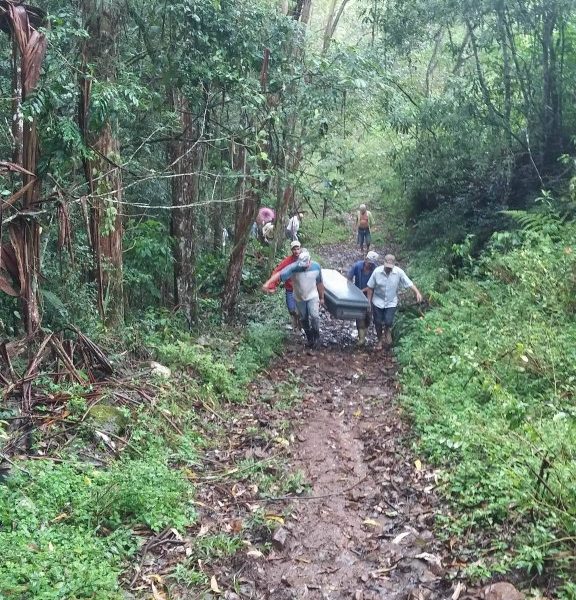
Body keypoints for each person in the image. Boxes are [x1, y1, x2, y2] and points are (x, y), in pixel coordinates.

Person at [262, 248, 324, 349]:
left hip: (312, 295)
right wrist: (268, 283)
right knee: (303, 318)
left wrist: (322, 297)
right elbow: (279, 274)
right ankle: (309, 338)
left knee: (314, 316)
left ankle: (317, 337)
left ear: (310, 260)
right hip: (299, 297)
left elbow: (320, 283)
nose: (304, 268)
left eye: (306, 266)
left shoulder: (316, 267)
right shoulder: (293, 267)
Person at [366, 254, 423, 350]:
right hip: (377, 301)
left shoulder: (399, 272)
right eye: (387, 267)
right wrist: (369, 302)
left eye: (390, 268)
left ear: (394, 265)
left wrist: (417, 292)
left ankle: (387, 329)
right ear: (383, 263)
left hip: (391, 301)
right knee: (377, 322)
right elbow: (370, 287)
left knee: (388, 321)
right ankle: (379, 340)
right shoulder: (377, 272)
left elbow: (409, 283)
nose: (388, 269)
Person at [263, 240, 302, 331]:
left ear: (300, 249)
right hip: (290, 289)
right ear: (291, 250)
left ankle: (300, 327)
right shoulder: (287, 261)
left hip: (301, 289)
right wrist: (272, 286)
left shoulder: (303, 260)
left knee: (301, 310)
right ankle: (295, 323)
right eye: (294, 249)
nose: (296, 251)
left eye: (298, 249)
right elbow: (277, 271)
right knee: (291, 309)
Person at [347, 251, 379, 346]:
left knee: (368, 315)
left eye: (371, 263)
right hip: (358, 295)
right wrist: (352, 289)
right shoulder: (357, 266)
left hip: (371, 294)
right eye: (368, 262)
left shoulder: (375, 270)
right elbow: (349, 278)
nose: (369, 265)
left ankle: (364, 335)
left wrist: (364, 290)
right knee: (359, 315)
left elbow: (375, 285)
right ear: (365, 259)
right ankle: (361, 339)